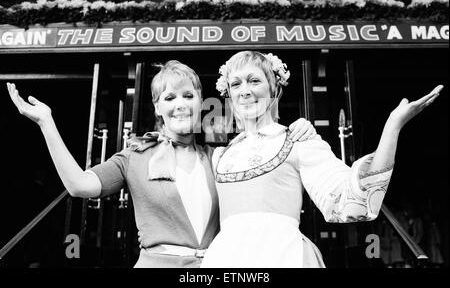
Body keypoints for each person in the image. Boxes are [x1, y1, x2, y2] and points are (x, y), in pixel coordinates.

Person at [6, 60, 315, 268]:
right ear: (157, 107)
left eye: (187, 95)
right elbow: (79, 186)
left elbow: (263, 175)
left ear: (200, 101)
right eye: (169, 98)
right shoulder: (134, 157)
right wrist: (47, 123)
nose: (180, 104)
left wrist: (296, 131)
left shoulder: (221, 157)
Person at [200, 50, 443, 268]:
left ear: (274, 88)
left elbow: (351, 202)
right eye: (236, 84)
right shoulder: (221, 155)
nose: (245, 91)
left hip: (282, 257)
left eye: (254, 80)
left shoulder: (298, 140)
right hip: (226, 259)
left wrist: (392, 128)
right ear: (229, 95)